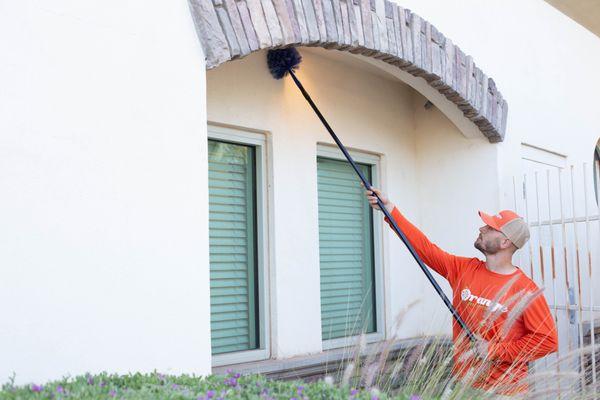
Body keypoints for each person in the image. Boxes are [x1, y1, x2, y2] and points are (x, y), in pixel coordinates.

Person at [364, 187, 558, 397]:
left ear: (505, 242)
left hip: (506, 392)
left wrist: (494, 351)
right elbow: (425, 248)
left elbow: (547, 341)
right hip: (465, 386)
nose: (482, 228)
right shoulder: (463, 269)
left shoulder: (525, 290)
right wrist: (390, 210)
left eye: (490, 227)